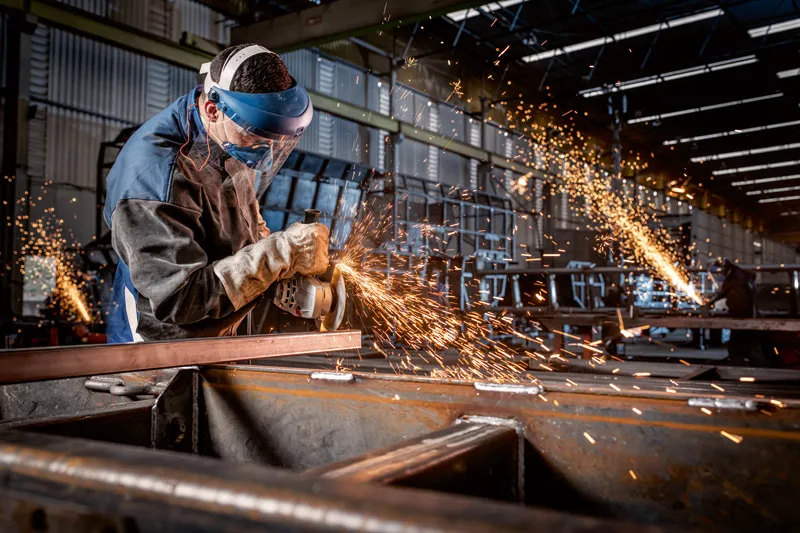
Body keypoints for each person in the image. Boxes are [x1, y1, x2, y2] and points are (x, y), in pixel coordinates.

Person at [104, 44, 329, 342]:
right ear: (213, 110)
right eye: (258, 137)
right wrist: (279, 254)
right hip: (160, 349)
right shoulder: (153, 182)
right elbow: (179, 300)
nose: (269, 152)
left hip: (219, 335)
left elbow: (246, 222)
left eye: (277, 141)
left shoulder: (230, 136)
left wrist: (277, 272)